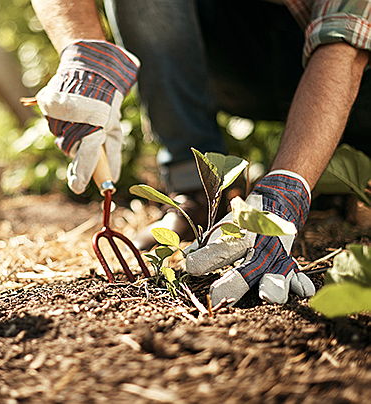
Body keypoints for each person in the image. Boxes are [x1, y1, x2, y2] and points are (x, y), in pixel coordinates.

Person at [29, 0, 370, 305]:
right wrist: (83, 52)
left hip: (355, 72)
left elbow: (345, 49)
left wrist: (287, 190)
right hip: (235, 51)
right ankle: (198, 190)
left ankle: (332, 180)